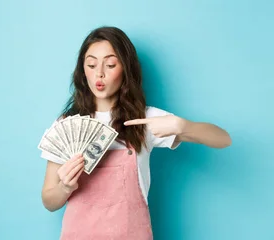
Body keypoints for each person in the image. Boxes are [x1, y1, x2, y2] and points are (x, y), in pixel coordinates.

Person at [40, 26, 231, 239]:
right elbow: (49, 200)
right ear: (82, 71)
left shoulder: (144, 119)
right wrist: (65, 186)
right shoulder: (66, 125)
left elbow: (223, 139)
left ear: (126, 69)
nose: (99, 73)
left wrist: (182, 126)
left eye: (110, 64)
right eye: (91, 64)